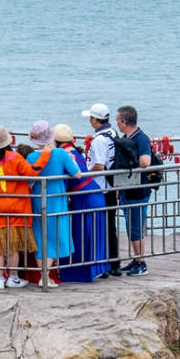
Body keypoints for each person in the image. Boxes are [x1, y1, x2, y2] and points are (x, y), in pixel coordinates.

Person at [0, 126, 37, 288]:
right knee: (13, 247)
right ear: (8, 141)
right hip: (14, 207)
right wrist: (45, 156)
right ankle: (13, 278)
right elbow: (32, 173)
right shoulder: (15, 157)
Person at [26, 130, 81, 285]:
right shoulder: (60, 154)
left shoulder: (31, 157)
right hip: (56, 198)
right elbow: (77, 174)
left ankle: (43, 276)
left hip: (37, 198)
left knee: (40, 234)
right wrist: (72, 159)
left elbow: (29, 178)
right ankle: (45, 276)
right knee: (54, 234)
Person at [55, 127, 109, 283]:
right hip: (95, 193)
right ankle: (97, 269)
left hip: (84, 197)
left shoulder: (64, 154)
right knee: (93, 236)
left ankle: (78, 273)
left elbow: (64, 180)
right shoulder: (75, 152)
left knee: (80, 236)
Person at [112, 106, 154, 276]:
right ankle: (136, 258)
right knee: (131, 226)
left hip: (138, 191)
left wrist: (130, 161)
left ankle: (141, 262)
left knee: (136, 227)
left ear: (124, 121)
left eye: (118, 121)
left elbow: (146, 161)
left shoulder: (141, 138)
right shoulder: (125, 138)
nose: (117, 125)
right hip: (126, 189)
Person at [83, 104, 121, 276]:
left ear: (95, 120)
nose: (90, 121)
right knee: (110, 227)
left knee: (99, 227)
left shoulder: (99, 140)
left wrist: (83, 174)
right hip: (111, 185)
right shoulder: (112, 133)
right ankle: (114, 262)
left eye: (91, 118)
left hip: (100, 187)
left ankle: (103, 264)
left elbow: (98, 165)